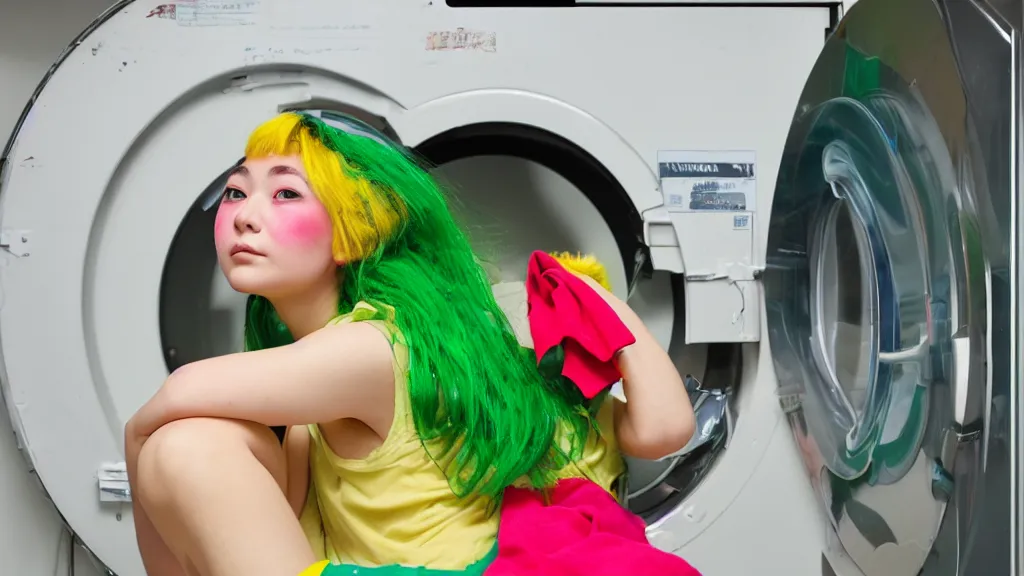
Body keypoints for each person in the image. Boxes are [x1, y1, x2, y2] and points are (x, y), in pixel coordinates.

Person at [124, 111, 698, 576]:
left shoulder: (372, 345)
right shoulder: (322, 403)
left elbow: (185, 387)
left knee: (185, 444)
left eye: (285, 195)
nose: (244, 217)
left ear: (355, 230)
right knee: (194, 443)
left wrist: (137, 436)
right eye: (233, 192)